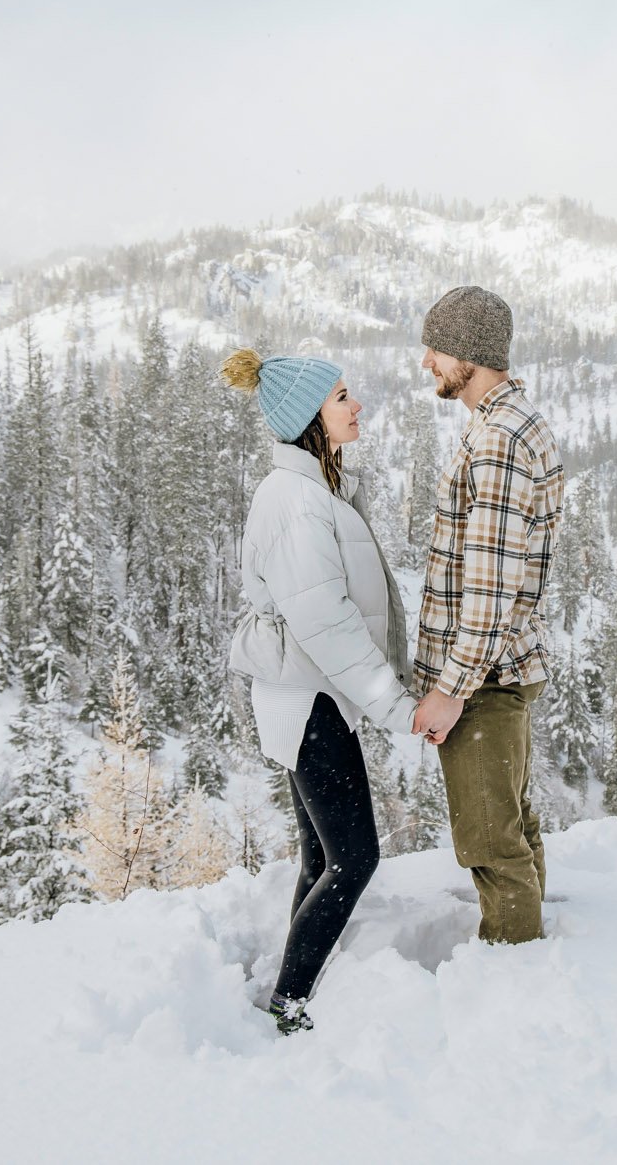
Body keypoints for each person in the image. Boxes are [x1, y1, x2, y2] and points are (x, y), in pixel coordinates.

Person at [221, 348, 416, 1036]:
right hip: (311, 700)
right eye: (340, 396)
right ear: (309, 417)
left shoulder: (314, 492)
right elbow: (328, 624)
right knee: (355, 857)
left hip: (310, 695)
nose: (355, 403)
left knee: (324, 855)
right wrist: (395, 703)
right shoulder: (298, 503)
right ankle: (289, 1001)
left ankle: (289, 986)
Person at [410, 286, 565, 945]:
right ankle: (532, 948)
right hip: (503, 667)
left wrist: (451, 688)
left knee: (488, 840)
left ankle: (515, 971)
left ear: (470, 355)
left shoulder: (498, 440)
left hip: (485, 679)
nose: (427, 363)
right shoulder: (506, 422)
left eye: (436, 349)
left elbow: (490, 585)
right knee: (513, 823)